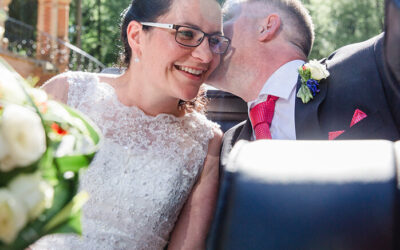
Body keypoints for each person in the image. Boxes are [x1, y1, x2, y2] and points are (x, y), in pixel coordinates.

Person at [31, 0, 230, 249]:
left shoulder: (206, 142)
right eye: (187, 34)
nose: (206, 56)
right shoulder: (67, 94)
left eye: (214, 41)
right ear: (137, 36)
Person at [207, 0, 400, 167]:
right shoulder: (226, 146)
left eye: (226, 17)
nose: (211, 30)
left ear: (266, 26)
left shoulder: (370, 61)